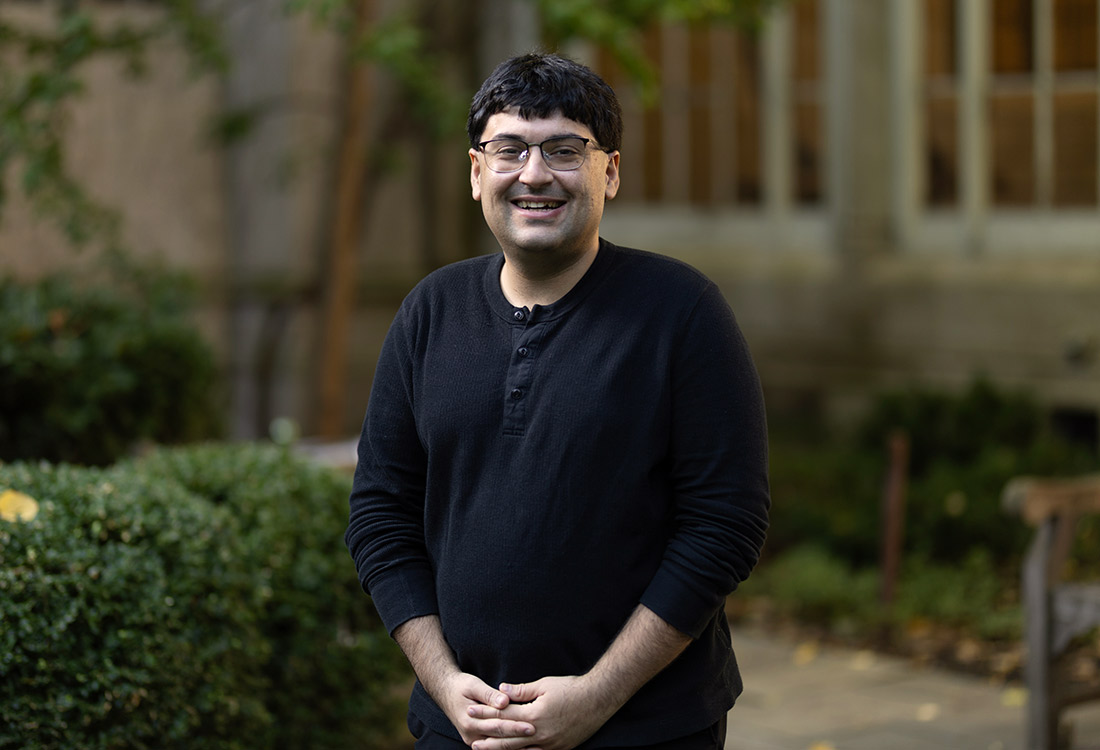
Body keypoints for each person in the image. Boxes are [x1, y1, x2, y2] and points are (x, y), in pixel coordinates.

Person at [345, 52, 770, 750]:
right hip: (462, 728)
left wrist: (597, 697)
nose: (535, 174)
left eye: (565, 150)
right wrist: (446, 684)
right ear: (477, 172)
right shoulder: (430, 312)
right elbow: (380, 513)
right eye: (509, 149)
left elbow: (723, 527)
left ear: (611, 171)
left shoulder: (682, 313)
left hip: (645, 731)